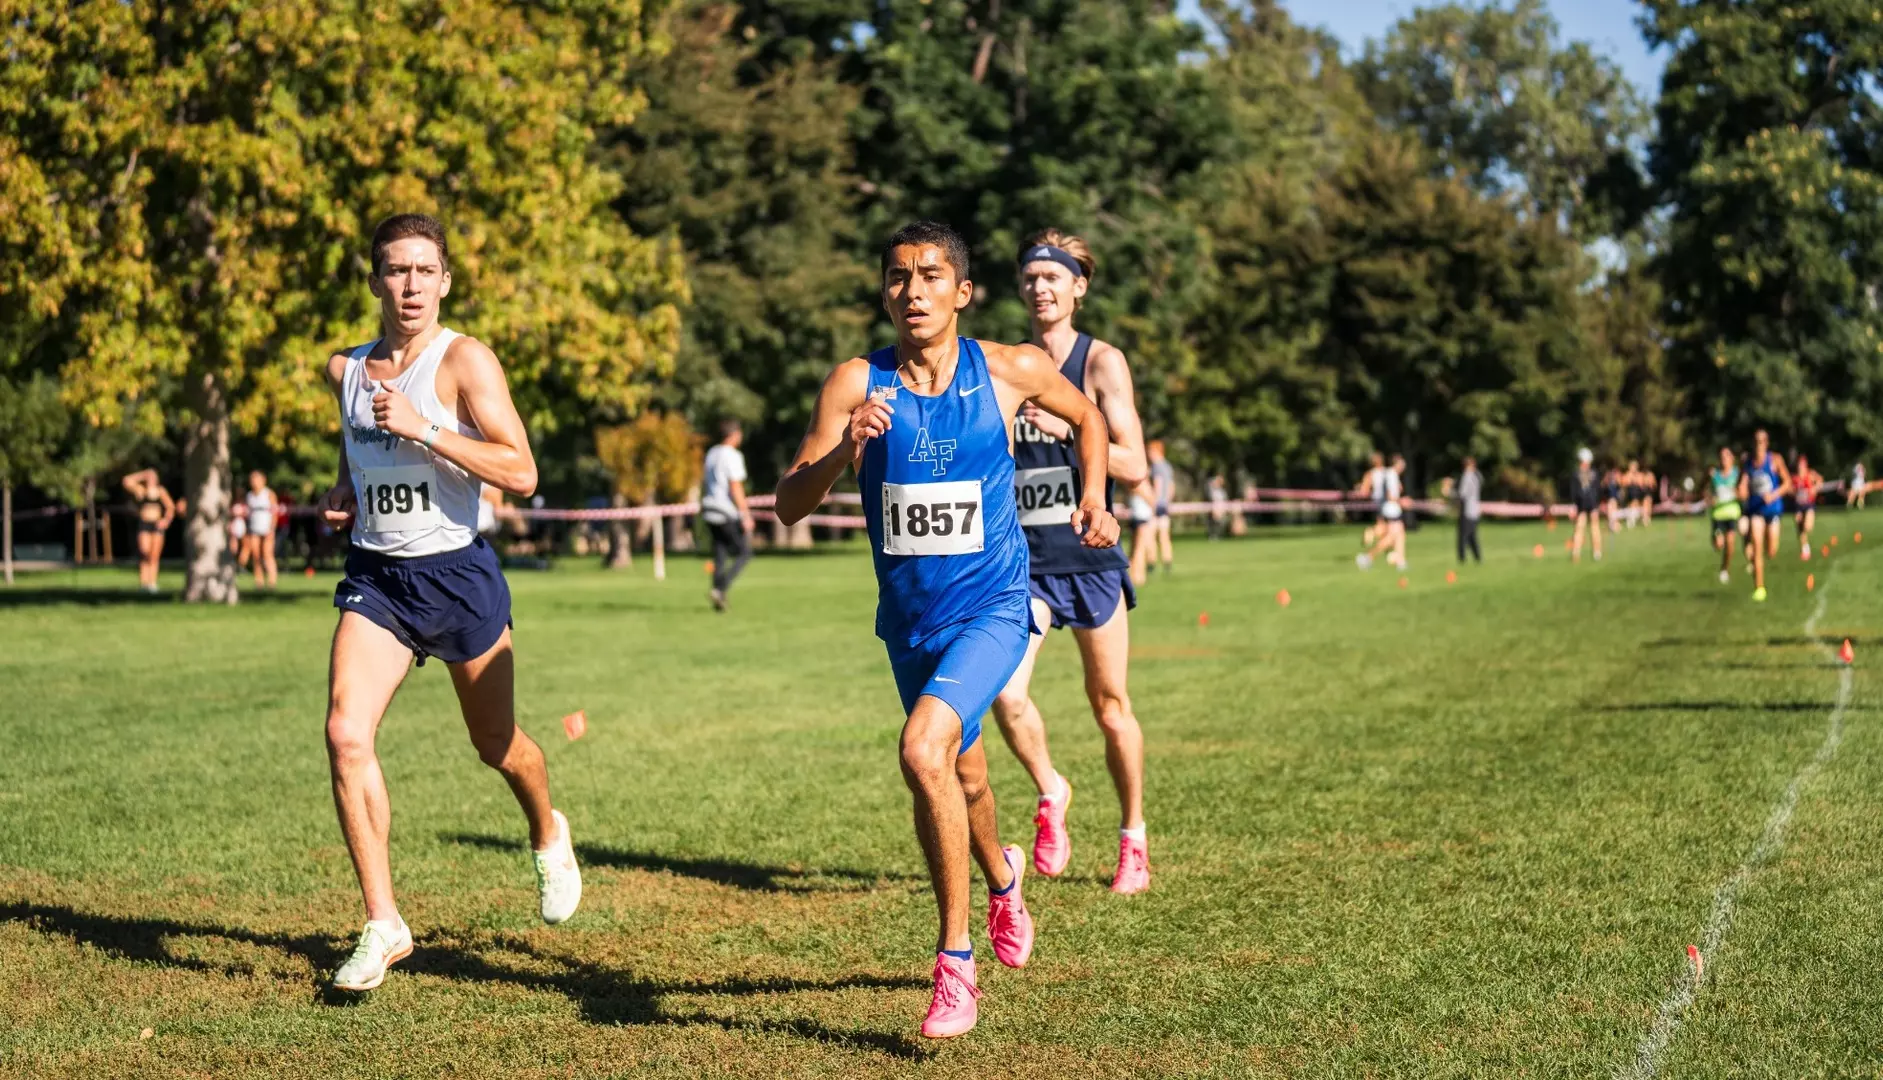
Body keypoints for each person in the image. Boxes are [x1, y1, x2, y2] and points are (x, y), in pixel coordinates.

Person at [774, 220, 1120, 1040]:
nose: (913, 291)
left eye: (932, 276)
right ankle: (1003, 880)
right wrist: (843, 451)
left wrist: (1096, 496)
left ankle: (953, 966)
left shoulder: (1009, 368)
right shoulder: (857, 384)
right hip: (910, 623)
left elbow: (1091, 421)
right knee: (963, 778)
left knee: (921, 749)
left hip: (996, 607)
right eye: (898, 277)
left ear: (961, 292)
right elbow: (787, 503)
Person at [316, 213, 581, 993]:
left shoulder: (462, 361)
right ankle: (382, 922)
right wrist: (344, 484)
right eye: (395, 271)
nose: (410, 286)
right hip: (379, 581)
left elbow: (522, 472)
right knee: (344, 732)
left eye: (424, 271)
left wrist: (428, 427)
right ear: (374, 281)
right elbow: (359, 438)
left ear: (445, 281)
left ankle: (546, 829)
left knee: (498, 746)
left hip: (457, 578)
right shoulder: (348, 370)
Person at [988, 228, 1152, 900]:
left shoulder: (1100, 362)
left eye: (1052, 277)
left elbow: (1136, 468)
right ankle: (1051, 788)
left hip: (1088, 558)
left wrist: (1070, 428)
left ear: (1077, 288)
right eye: (1029, 277)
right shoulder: (1005, 364)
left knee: (1110, 707)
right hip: (1022, 563)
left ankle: (1132, 837)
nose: (1039, 287)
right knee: (1004, 692)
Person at [700, 419, 755, 611]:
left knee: (720, 554)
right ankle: (720, 587)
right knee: (745, 553)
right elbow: (735, 487)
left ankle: (719, 599)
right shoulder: (732, 455)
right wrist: (745, 515)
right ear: (733, 435)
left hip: (709, 508)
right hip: (725, 510)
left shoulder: (712, 453)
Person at [1740, 429, 1792, 602]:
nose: (1758, 444)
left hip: (1773, 510)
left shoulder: (1775, 460)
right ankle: (1759, 587)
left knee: (1771, 551)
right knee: (1757, 547)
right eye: (1756, 441)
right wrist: (1741, 490)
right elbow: (1744, 482)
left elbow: (1787, 483)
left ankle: (1754, 551)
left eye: (1762, 441)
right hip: (1755, 510)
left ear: (1766, 443)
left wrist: (1773, 495)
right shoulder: (1748, 462)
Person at [122, 468, 175, 594]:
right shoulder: (141, 490)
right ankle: (144, 583)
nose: (151, 478)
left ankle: (152, 583)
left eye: (153, 476)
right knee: (144, 552)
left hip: (156, 525)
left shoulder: (161, 491)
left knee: (154, 555)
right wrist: (142, 475)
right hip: (144, 524)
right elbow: (126, 481)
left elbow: (170, 507)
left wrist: (165, 520)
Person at [1355, 453, 1405, 570]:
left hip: (1384, 506)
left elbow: (1364, 491)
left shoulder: (1375, 474)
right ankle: (1368, 556)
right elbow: (1392, 493)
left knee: (1397, 534)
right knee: (1390, 536)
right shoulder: (1389, 473)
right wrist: (1401, 501)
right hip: (1389, 508)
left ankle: (1400, 561)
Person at [1707, 447, 1743, 584]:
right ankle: (1714, 539)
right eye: (1722, 457)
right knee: (1719, 545)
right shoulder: (1714, 475)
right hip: (1718, 515)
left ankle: (1724, 569)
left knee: (1730, 544)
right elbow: (1707, 493)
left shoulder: (1737, 474)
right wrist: (1711, 499)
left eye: (1727, 456)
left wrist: (1736, 492)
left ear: (1732, 459)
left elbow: (1743, 493)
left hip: (1732, 513)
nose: (1724, 460)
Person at [241, 470, 279, 589]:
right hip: (254, 529)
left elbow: (275, 512)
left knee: (267, 554)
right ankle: (259, 581)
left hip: (267, 529)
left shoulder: (269, 494)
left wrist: (272, 528)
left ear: (263, 480)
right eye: (252, 479)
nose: (254, 482)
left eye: (256, 479)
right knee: (256, 555)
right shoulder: (249, 496)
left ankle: (272, 580)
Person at [1569, 449, 1604, 563]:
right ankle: (1578, 552)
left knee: (1590, 528)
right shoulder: (1583, 473)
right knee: (1582, 527)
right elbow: (1575, 492)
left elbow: (1597, 490)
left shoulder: (1584, 473)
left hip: (1589, 503)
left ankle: (1595, 552)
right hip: (1584, 504)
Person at [1147, 439, 1175, 574]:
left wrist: (1153, 504)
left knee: (1150, 536)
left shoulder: (1156, 467)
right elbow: (1171, 487)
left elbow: (1157, 485)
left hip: (1155, 505)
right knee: (1164, 536)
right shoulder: (1168, 466)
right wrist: (1167, 502)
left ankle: (1151, 563)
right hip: (1164, 505)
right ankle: (1167, 562)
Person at [1453, 456, 1483, 564]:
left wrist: (1450, 492)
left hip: (1467, 511)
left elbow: (1462, 494)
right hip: (1475, 511)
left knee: (1462, 537)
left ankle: (1462, 559)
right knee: (1472, 536)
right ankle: (1478, 557)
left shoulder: (1467, 476)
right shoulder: (1477, 476)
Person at [1792, 453, 1821, 560]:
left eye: (1802, 465)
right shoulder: (1794, 478)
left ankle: (1806, 546)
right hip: (1799, 505)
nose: (1800, 467)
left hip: (1809, 505)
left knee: (1807, 527)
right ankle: (1805, 549)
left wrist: (1814, 488)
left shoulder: (1810, 474)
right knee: (1798, 522)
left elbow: (1820, 480)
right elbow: (1791, 489)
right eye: (1799, 465)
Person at [1206, 474, 1229, 539]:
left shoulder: (1222, 491)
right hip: (1214, 509)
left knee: (1222, 522)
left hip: (1221, 510)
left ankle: (1219, 535)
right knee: (1214, 522)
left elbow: (1225, 501)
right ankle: (1213, 535)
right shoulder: (1211, 491)